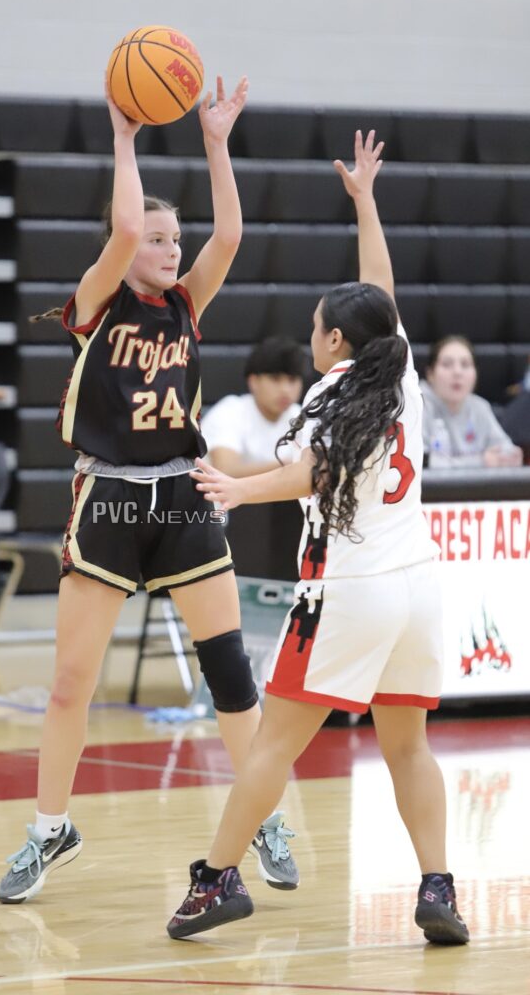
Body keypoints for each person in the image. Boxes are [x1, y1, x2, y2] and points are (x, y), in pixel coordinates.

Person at [0, 75, 298, 904]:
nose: (169, 250)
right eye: (157, 240)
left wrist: (215, 144)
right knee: (71, 682)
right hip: (110, 501)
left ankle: (262, 815)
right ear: (124, 250)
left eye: (174, 240)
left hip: (182, 497)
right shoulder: (95, 304)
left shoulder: (187, 305)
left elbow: (229, 234)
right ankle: (49, 830)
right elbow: (125, 224)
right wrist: (124, 138)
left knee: (230, 673)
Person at [167, 130, 470, 947]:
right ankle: (438, 886)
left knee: (272, 745)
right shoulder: (399, 373)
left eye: (315, 326)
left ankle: (215, 880)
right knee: (407, 747)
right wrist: (365, 203)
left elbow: (314, 473)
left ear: (335, 341)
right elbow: (380, 291)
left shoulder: (330, 394)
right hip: (418, 587)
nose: (310, 336)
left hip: (349, 590)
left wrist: (239, 487)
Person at [201, 336, 306, 477]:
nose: (285, 389)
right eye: (275, 379)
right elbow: (225, 471)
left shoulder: (302, 417)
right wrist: (290, 467)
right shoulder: (229, 412)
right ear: (253, 381)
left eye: (292, 380)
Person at [422, 336, 522, 468]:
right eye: (447, 364)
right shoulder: (417, 405)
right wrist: (481, 461)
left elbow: (505, 448)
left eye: (465, 365)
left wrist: (509, 456)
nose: (457, 372)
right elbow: (420, 462)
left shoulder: (480, 406)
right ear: (430, 373)